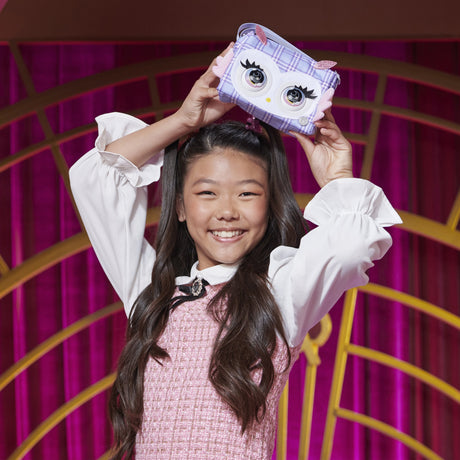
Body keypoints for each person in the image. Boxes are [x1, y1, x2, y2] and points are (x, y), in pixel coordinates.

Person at [69, 45, 401, 460]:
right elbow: (96, 180)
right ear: (180, 206)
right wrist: (182, 121)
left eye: (247, 194)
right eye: (207, 193)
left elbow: (351, 247)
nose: (227, 211)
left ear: (270, 204)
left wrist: (337, 176)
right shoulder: (150, 292)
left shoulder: (280, 292)